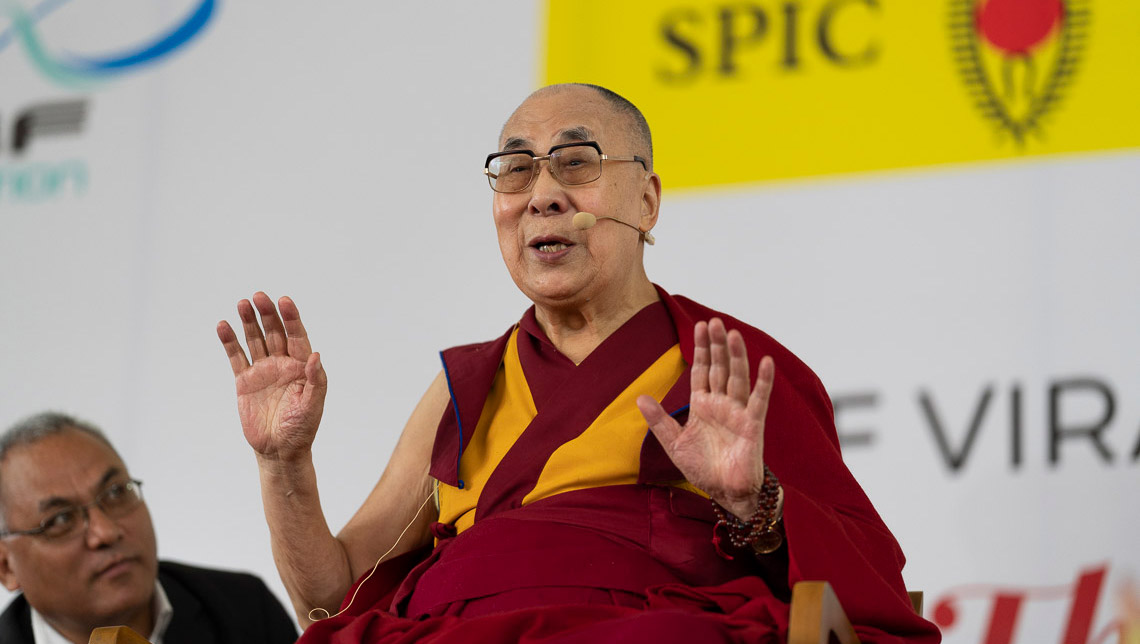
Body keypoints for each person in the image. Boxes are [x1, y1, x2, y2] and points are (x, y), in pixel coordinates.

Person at [216, 83, 941, 643]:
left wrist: (754, 505)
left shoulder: (726, 366)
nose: (543, 196)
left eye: (575, 163)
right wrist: (284, 464)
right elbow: (328, 599)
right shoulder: (464, 390)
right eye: (516, 170)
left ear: (648, 201)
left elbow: (859, 580)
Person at [0, 412, 299, 644]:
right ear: (6, 567)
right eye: (61, 520)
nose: (105, 532)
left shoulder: (242, 609)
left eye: (116, 493)